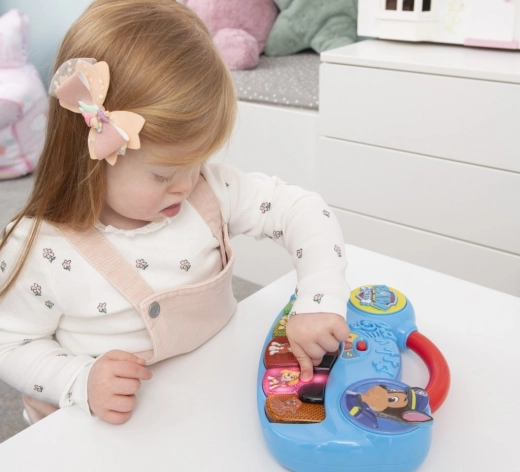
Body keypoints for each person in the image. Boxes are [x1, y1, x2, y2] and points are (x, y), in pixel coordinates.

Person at [0, 0, 350, 426]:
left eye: (196, 161)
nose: (186, 185)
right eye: (163, 174)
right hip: (104, 430)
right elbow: (10, 344)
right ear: (92, 153)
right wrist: (79, 378)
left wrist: (318, 299)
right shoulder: (42, 248)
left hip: (207, 407)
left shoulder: (209, 189)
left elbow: (303, 210)